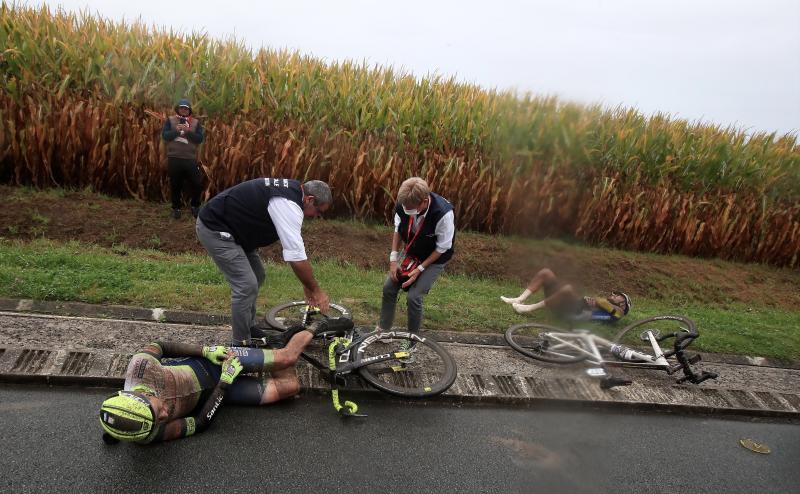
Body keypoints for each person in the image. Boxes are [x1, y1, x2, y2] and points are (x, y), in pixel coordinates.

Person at [99, 319, 348, 444]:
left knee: (287, 358)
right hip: (219, 392)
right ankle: (272, 344)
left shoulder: (140, 369)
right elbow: (199, 423)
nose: (166, 413)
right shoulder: (149, 433)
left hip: (209, 364)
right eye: (162, 419)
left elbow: (161, 346)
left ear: (140, 395)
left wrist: (206, 350)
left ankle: (317, 325)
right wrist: (225, 384)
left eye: (158, 410)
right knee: (290, 387)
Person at [196, 177, 332, 344]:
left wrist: (307, 284)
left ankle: (249, 327)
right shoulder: (288, 204)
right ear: (309, 199)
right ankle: (240, 344)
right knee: (245, 284)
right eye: (319, 212)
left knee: (257, 275)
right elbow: (296, 257)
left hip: (237, 231)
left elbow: (296, 252)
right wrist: (316, 291)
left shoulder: (293, 194)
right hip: (216, 228)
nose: (317, 216)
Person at [377, 177, 455, 361]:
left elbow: (443, 247)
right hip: (412, 251)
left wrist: (419, 269)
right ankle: (384, 328)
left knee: (414, 297)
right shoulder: (403, 204)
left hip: (435, 257)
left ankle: (411, 341)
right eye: (405, 207)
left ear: (425, 201)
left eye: (412, 208)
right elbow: (398, 230)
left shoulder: (443, 214)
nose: (408, 211)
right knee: (390, 287)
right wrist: (393, 259)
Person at [500, 268, 631, 322]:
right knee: (546, 272)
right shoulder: (608, 306)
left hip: (574, 312)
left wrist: (598, 302)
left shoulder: (617, 314)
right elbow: (599, 302)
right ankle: (519, 299)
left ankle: (528, 308)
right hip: (570, 305)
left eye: (618, 295)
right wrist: (597, 301)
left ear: (623, 303)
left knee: (568, 289)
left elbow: (619, 313)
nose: (614, 294)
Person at [162, 98, 205, 219]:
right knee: (175, 184)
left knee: (197, 183)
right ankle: (176, 208)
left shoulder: (195, 123)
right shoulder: (170, 121)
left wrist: (187, 131)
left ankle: (195, 206)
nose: (183, 110)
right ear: (178, 109)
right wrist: (176, 130)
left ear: (189, 110)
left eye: (186, 108)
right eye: (181, 108)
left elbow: (199, 139)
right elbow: (165, 136)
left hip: (189, 158)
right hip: (174, 158)